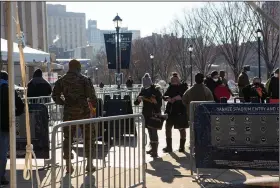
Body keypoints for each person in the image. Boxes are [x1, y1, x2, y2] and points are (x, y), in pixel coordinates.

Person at [52, 59, 97, 174]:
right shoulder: (84, 80)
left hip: (69, 113)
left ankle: (68, 165)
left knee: (67, 139)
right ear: (78, 68)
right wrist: (94, 108)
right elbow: (92, 96)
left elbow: (55, 95)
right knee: (88, 137)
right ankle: (89, 164)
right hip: (84, 113)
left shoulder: (61, 80)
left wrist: (64, 103)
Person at [0, 71, 24, 186]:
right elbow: (20, 106)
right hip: (4, 125)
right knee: (2, 152)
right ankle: (1, 176)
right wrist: (14, 113)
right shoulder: (9, 89)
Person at [134, 73, 162, 158]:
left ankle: (155, 150)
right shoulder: (143, 90)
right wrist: (138, 99)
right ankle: (152, 148)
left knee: (153, 131)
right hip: (146, 113)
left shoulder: (156, 90)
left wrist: (155, 102)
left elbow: (159, 104)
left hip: (154, 113)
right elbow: (135, 103)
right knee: (149, 131)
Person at [162, 73, 188, 153]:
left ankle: (182, 147)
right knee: (168, 128)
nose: (174, 81)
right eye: (172, 80)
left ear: (178, 80)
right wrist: (168, 98)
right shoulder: (170, 87)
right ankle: (169, 147)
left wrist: (177, 98)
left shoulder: (183, 86)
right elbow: (164, 96)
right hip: (170, 111)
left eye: (175, 80)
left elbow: (185, 96)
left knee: (181, 129)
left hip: (180, 110)